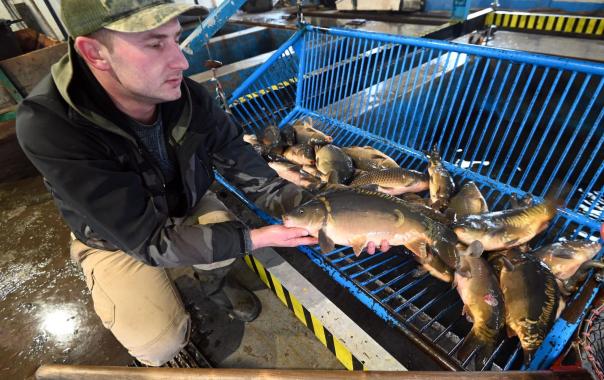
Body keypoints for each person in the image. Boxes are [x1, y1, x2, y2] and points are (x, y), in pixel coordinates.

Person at [16, 0, 388, 367]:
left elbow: (248, 168)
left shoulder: (188, 97)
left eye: (175, 38)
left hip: (184, 200)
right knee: (159, 343)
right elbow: (147, 239)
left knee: (225, 239)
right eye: (154, 44)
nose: (180, 60)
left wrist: (324, 212)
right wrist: (254, 239)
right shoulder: (50, 126)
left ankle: (215, 283)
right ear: (94, 52)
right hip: (115, 235)